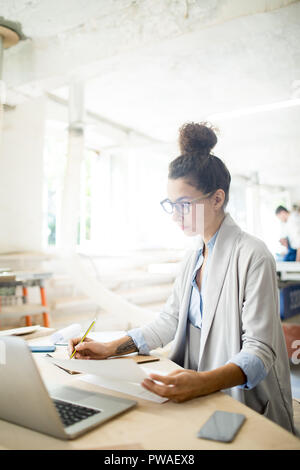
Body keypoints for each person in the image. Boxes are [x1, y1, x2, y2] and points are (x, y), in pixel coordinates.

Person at [69, 122, 294, 433]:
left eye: (185, 205)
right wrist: (113, 346)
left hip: (245, 401)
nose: (175, 215)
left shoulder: (253, 254)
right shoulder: (193, 255)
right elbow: (169, 320)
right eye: (170, 205)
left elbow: (260, 350)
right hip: (200, 392)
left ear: (217, 199)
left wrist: (202, 382)